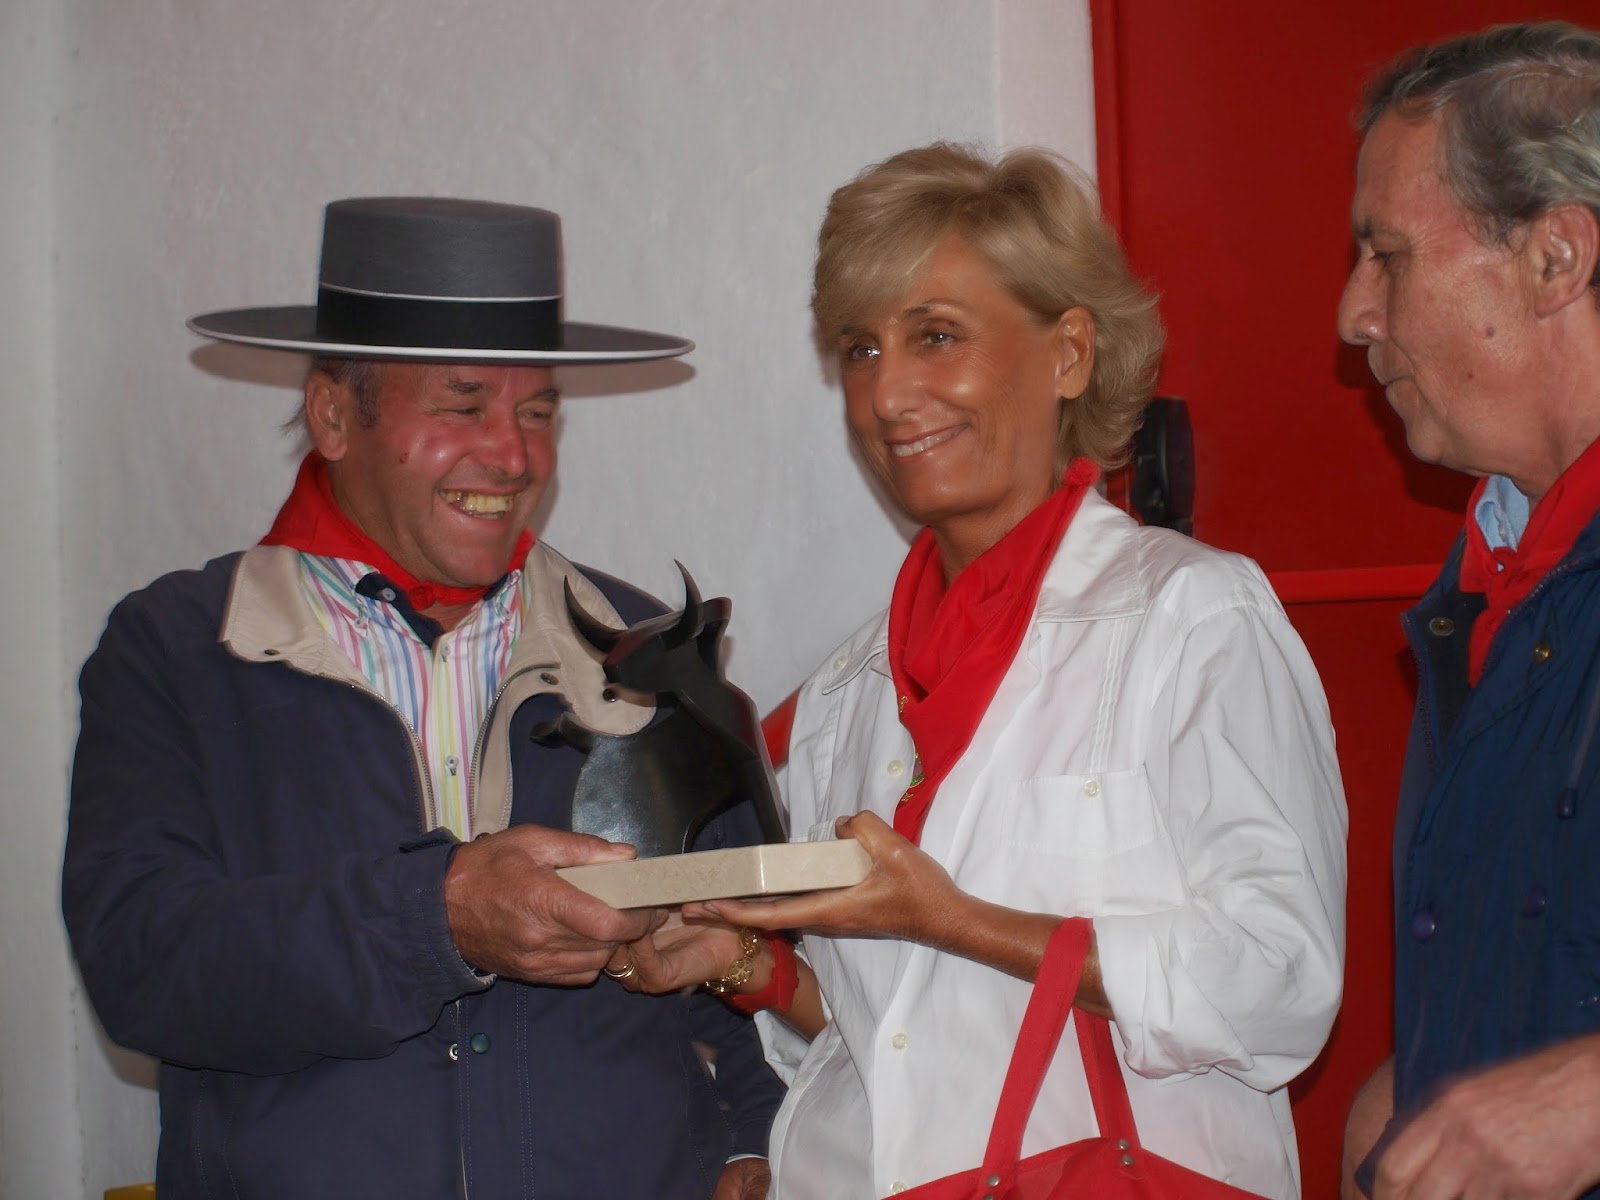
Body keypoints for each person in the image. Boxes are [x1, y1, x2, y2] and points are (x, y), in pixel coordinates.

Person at [607, 143, 1348, 1199]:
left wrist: (955, 919)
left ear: (1070, 355)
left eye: (935, 337)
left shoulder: (1193, 615)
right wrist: (743, 964)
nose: (888, 394)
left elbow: (1280, 987)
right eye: (860, 350)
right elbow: (898, 1042)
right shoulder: (839, 693)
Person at [61, 197, 781, 1200]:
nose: (514, 453)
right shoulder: (180, 649)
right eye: (463, 404)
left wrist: (759, 1135)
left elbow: (759, 949)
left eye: (537, 413)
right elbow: (143, 963)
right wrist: (432, 924)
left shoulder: (646, 654)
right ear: (331, 414)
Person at [1334, 22, 1600, 1200]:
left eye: (1385, 254)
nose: (1353, 314)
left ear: (1556, 256)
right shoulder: (1489, 586)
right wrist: (1427, 1079)